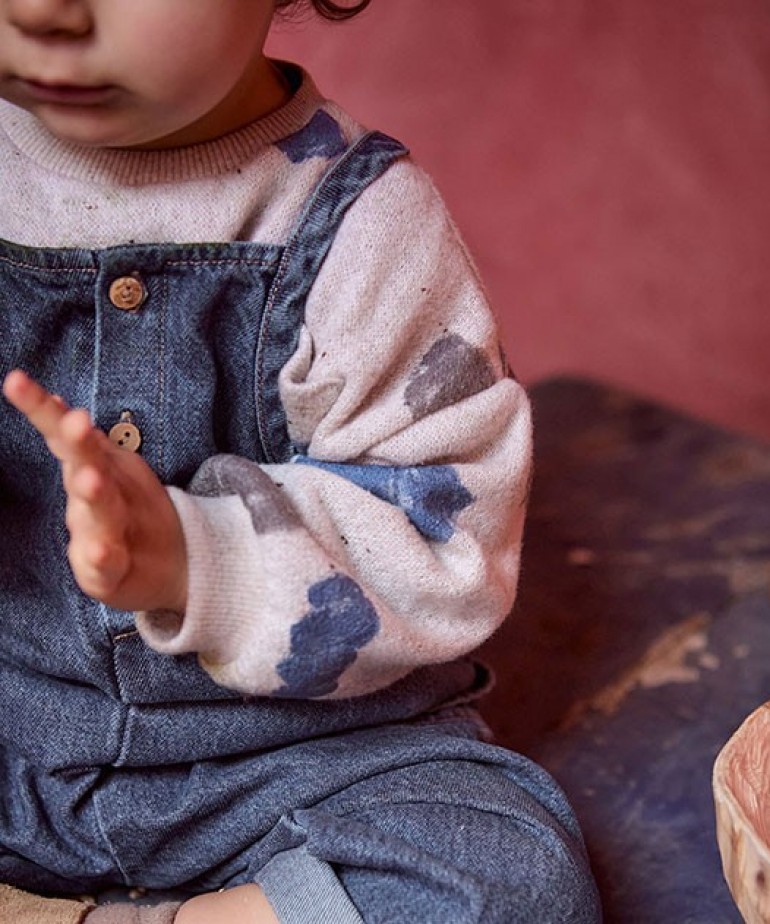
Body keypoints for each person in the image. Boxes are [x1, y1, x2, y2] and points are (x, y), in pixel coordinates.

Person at [0, 0, 602, 921]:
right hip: (14, 725)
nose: (44, 10)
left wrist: (196, 558)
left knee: (506, 882)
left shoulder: (361, 223)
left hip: (289, 759)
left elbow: (448, 530)